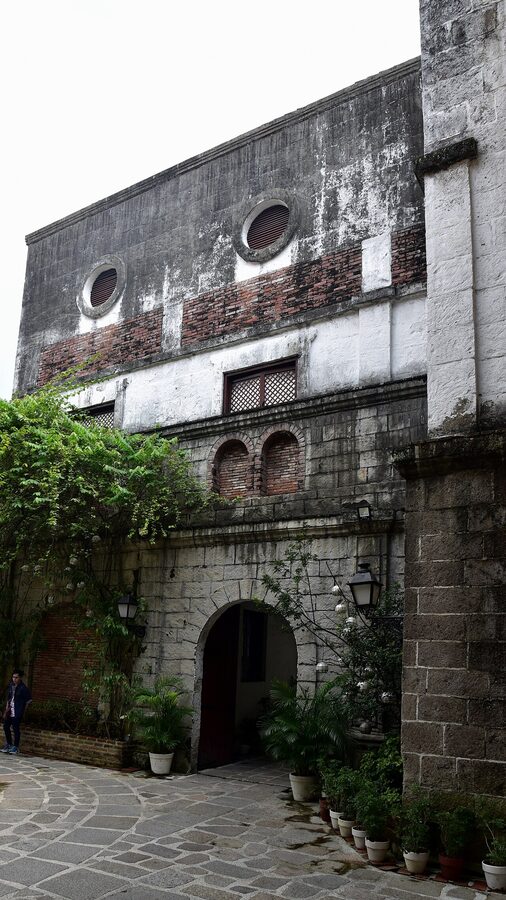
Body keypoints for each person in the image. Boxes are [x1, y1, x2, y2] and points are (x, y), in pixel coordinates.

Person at [2, 669, 32, 755]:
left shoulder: (23, 688)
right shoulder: (11, 685)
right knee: (5, 727)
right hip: (10, 712)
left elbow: (29, 701)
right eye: (13, 677)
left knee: (16, 729)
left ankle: (15, 747)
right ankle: (9, 744)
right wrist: (6, 710)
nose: (14, 679)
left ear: (20, 678)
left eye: (16, 677)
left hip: (17, 712)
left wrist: (23, 712)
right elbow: (9, 699)